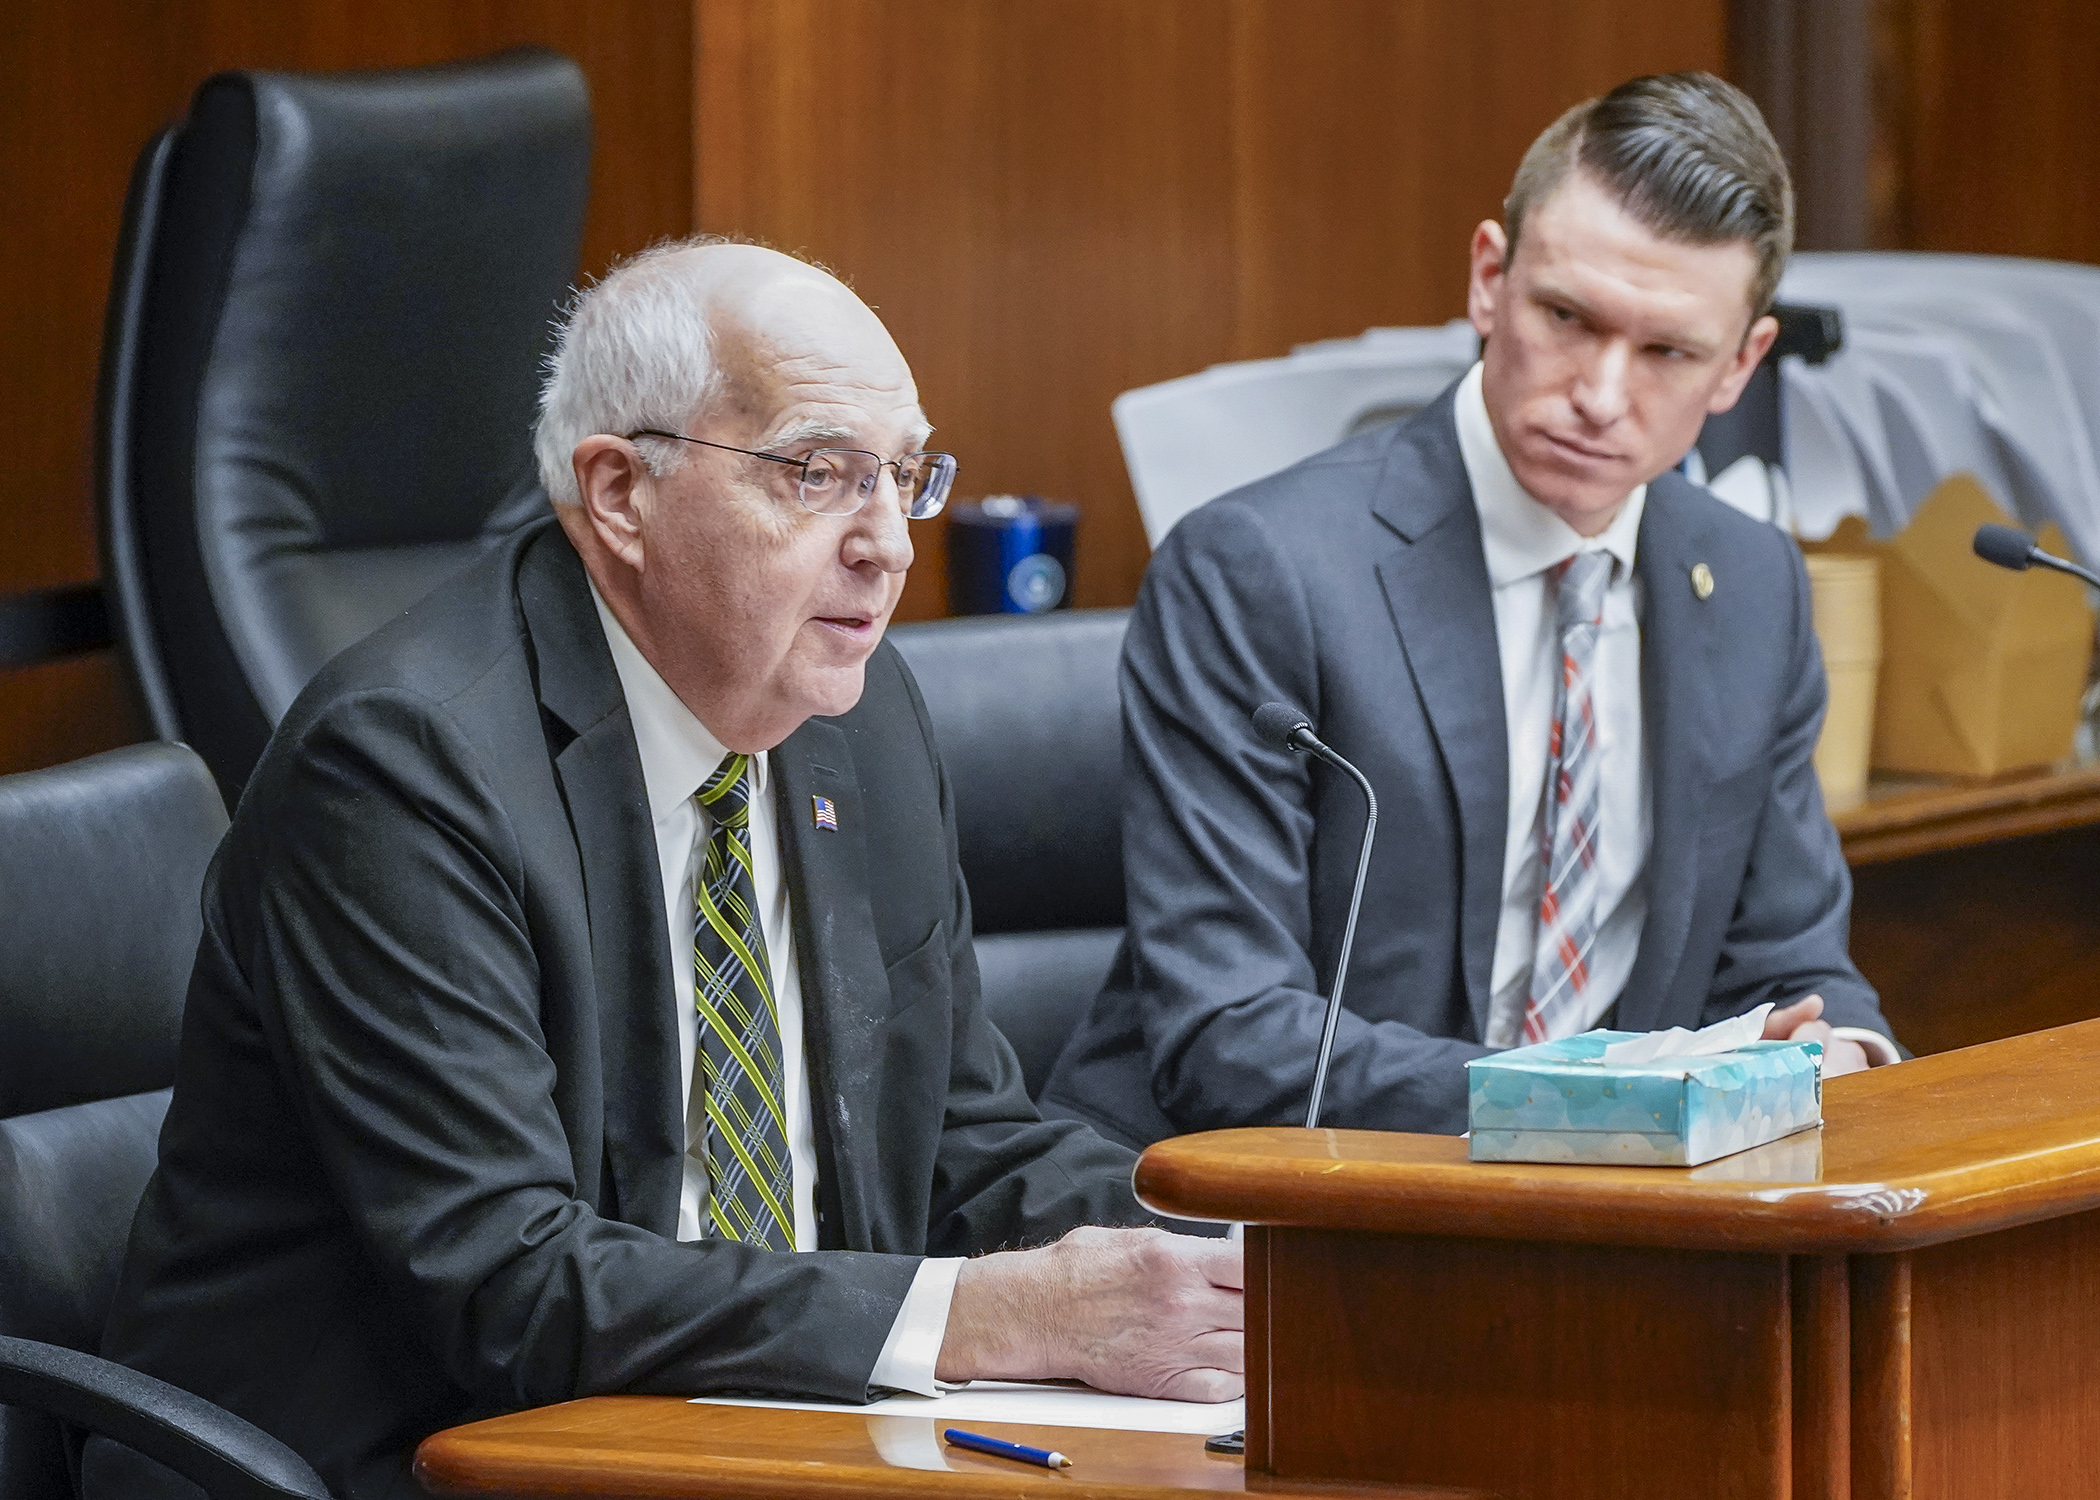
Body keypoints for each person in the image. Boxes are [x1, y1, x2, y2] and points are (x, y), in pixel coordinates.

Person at [94, 241, 1241, 1500]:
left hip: (775, 1438)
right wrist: (986, 1316)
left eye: (903, 477)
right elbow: (511, 1286)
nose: (888, 546)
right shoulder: (405, 767)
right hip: (412, 1454)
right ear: (621, 492)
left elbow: (962, 1137)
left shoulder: (857, 715)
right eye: (819, 474)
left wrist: (1247, 1266)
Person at [1042, 72, 1902, 1150]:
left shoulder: (1755, 584)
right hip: (1255, 1218)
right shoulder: (1261, 570)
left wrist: (1846, 1056)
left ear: (1741, 365)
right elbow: (1232, 1038)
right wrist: (1600, 1109)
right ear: (1490, 279)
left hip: (1599, 1223)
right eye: (1566, 317)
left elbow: (1792, 964)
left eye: (1667, 352)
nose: (1598, 393)